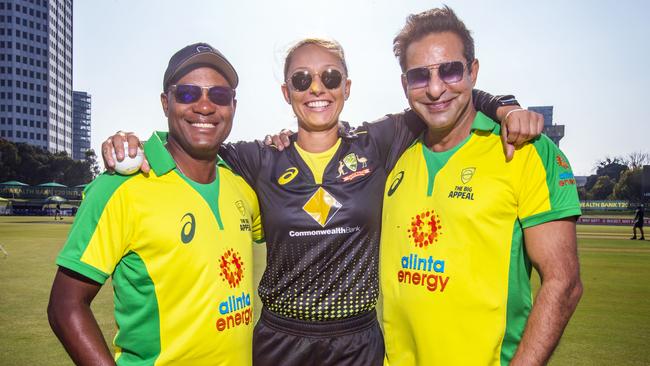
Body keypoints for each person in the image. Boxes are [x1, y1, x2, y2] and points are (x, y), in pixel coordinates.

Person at [103, 40, 542, 365]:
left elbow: (445, 97)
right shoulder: (258, 157)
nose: (317, 88)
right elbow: (193, 139)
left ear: (347, 87)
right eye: (302, 79)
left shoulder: (379, 142)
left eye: (330, 77)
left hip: (358, 344)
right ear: (286, 91)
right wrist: (132, 144)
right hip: (279, 342)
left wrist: (503, 106)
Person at [380, 6, 583, 366]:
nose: (436, 88)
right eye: (419, 76)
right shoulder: (393, 154)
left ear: (473, 72)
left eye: (451, 70)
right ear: (404, 84)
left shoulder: (525, 151)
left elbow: (563, 283)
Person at [47, 43, 263, 366]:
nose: (204, 106)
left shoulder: (243, 186)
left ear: (233, 105)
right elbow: (65, 306)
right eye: (188, 94)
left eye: (218, 95)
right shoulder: (120, 187)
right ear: (166, 102)